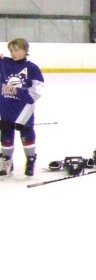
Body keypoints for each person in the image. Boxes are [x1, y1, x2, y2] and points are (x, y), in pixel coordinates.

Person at [0, 38, 44, 177]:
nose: (13, 53)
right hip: (6, 108)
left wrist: (16, 91)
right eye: (11, 51)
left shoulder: (33, 68)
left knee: (26, 134)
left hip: (24, 109)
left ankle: (30, 159)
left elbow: (36, 93)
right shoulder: (4, 63)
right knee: (6, 135)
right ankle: (7, 160)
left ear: (25, 50)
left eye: (17, 50)